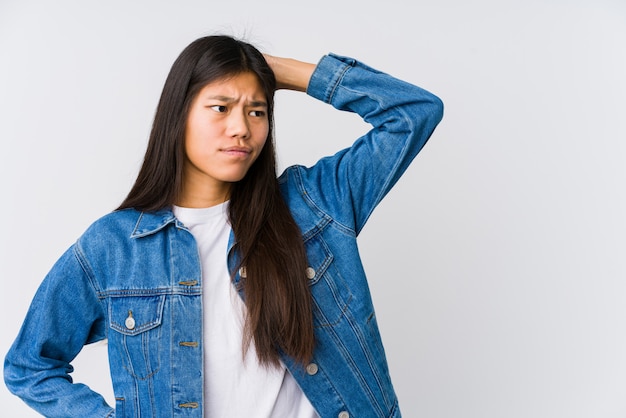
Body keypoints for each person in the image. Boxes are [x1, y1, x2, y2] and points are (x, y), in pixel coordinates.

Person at [4, 35, 443, 417]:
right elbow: (29, 367)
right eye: (221, 107)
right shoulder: (115, 247)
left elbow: (414, 114)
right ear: (179, 116)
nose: (241, 128)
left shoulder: (314, 205)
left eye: (256, 111)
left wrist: (277, 71)